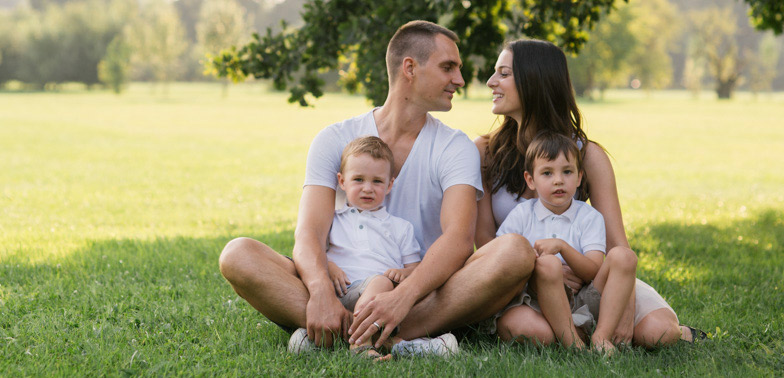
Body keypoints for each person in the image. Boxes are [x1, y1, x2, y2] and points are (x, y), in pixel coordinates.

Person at [219, 21, 535, 354]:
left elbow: (458, 240)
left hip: (419, 295)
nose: (459, 79)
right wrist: (321, 291)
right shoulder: (335, 138)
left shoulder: (455, 147)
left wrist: (402, 296)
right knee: (238, 255)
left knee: (515, 251)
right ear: (410, 68)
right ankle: (388, 339)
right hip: (342, 285)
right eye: (448, 67)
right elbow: (310, 232)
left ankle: (348, 336)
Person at [475, 38, 702, 348]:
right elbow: (486, 244)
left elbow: (617, 245)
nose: (491, 82)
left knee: (655, 333)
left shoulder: (587, 155)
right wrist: (540, 274)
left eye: (503, 73)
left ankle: (668, 331)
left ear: (535, 81)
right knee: (533, 333)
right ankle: (575, 334)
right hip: (524, 288)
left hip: (591, 283)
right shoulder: (486, 153)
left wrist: (625, 307)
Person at [288, 135, 455, 359]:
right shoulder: (332, 220)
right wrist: (329, 266)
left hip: (383, 301)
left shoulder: (400, 227)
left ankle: (355, 344)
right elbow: (312, 250)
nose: (368, 188)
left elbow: (415, 269)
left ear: (389, 185)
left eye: (377, 181)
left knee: (381, 281)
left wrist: (403, 273)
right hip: (339, 293)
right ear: (342, 181)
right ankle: (387, 345)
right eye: (358, 179)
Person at [494, 130, 636, 354]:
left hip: (583, 299)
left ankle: (601, 336)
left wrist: (562, 247)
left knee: (624, 256)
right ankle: (574, 343)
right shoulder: (522, 214)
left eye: (567, 172)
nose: (558, 180)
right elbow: (500, 259)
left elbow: (592, 270)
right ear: (530, 180)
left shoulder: (588, 216)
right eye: (547, 173)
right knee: (547, 266)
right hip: (537, 301)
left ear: (579, 177)